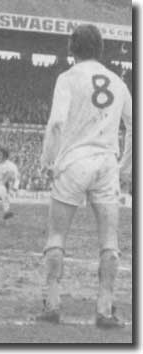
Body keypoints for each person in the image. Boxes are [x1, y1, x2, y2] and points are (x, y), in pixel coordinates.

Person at [36, 24, 132, 329]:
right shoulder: (118, 82)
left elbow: (56, 124)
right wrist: (125, 166)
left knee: (57, 235)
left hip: (74, 162)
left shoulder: (67, 78)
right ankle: (104, 310)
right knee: (109, 241)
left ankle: (52, 304)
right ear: (100, 49)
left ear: (71, 49)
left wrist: (47, 161)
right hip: (106, 163)